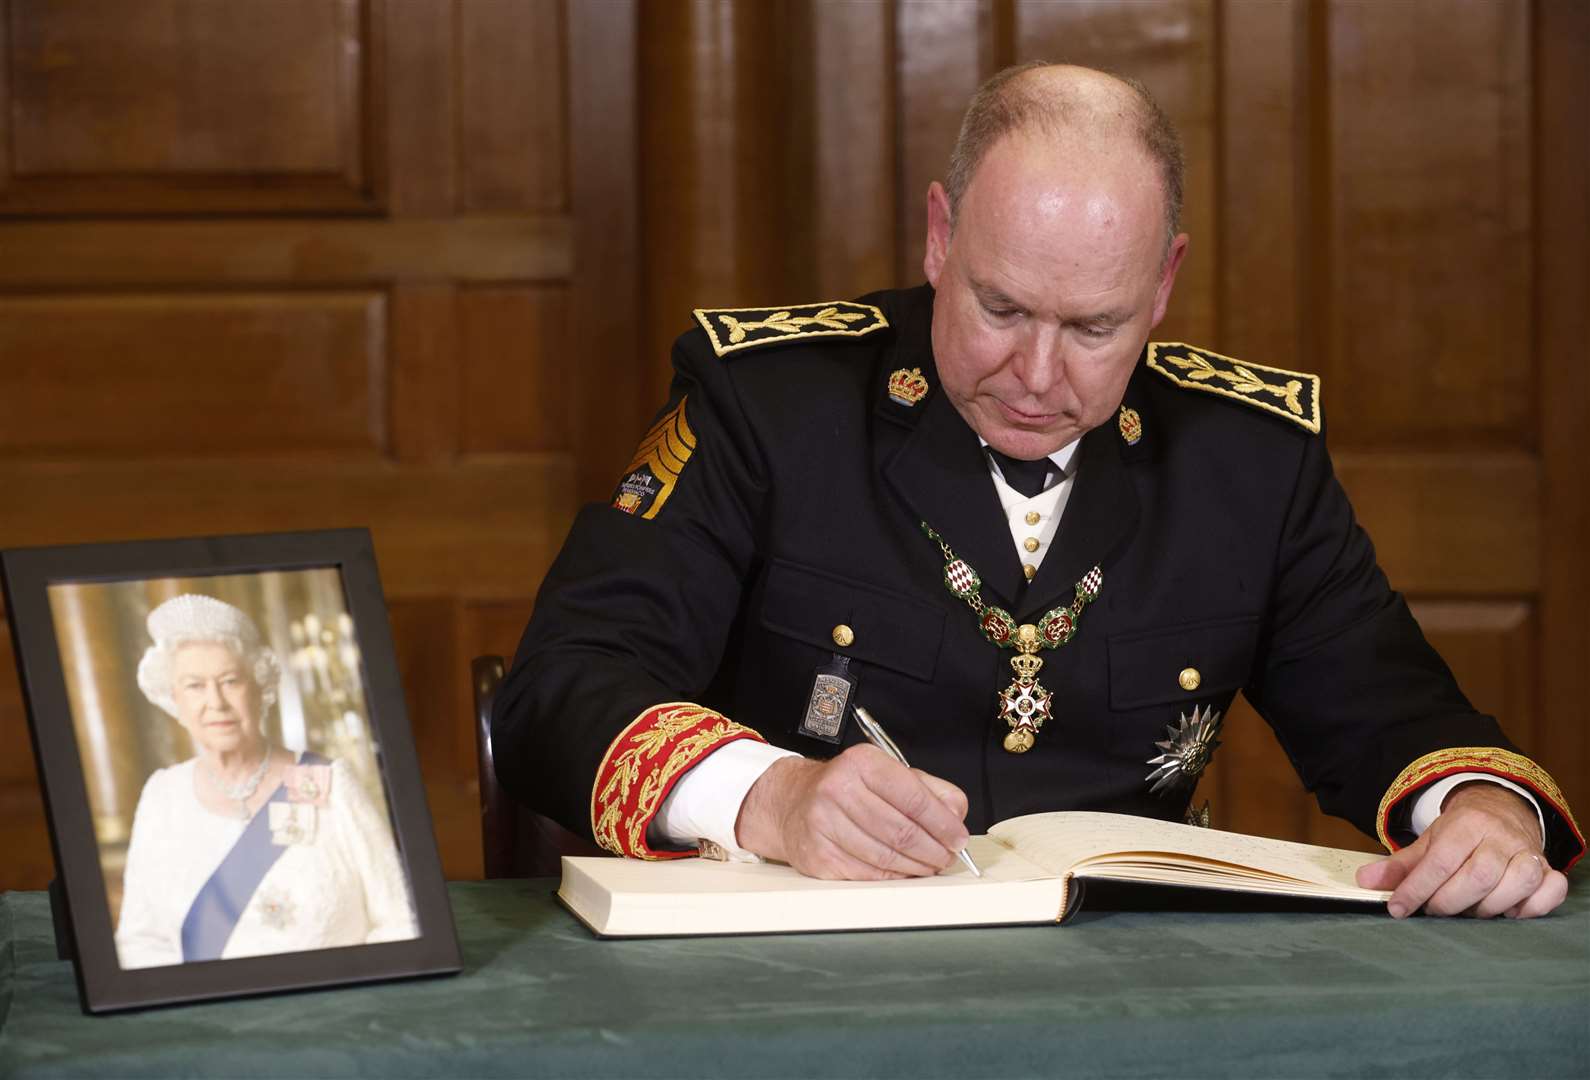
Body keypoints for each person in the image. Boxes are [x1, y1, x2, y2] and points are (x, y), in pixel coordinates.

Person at [492, 63, 1582, 919]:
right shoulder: (768, 408)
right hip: (805, 969)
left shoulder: (1248, 459)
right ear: (939, 237)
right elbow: (561, 687)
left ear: (1163, 284)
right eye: (1003, 309)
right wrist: (770, 796)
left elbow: (1397, 713)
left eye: (1095, 328)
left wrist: (1482, 812)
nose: (1038, 375)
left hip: (1133, 1000)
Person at [115, 593, 416, 968]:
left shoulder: (331, 784)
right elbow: (140, 941)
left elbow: (402, 919)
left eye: (230, 681)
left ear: (260, 687)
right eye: (195, 686)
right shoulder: (162, 795)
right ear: (175, 700)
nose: (216, 702)